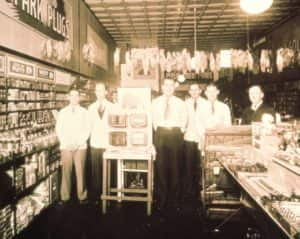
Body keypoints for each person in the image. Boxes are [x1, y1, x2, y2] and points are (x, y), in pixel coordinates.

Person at [152, 78, 187, 211]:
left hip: (175, 135)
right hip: (160, 134)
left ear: (174, 87)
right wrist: (160, 131)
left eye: (171, 85)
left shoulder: (180, 103)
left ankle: (175, 200)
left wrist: (177, 132)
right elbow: (153, 120)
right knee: (160, 167)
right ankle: (162, 199)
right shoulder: (155, 102)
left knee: (176, 167)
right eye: (166, 85)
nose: (168, 87)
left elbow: (184, 121)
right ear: (162, 87)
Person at [55, 88, 90, 204]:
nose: (74, 98)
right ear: (68, 97)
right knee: (66, 172)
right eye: (72, 96)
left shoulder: (85, 112)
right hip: (66, 146)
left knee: (80, 171)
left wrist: (78, 143)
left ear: (79, 98)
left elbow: (87, 129)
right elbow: (59, 129)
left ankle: (82, 196)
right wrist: (66, 142)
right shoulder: (63, 112)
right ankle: (65, 197)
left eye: (76, 96)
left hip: (80, 146)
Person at [88, 83, 115, 204]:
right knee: (96, 171)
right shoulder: (91, 107)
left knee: (108, 169)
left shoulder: (112, 107)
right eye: (97, 90)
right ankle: (97, 196)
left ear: (106, 92)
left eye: (102, 90)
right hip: (95, 143)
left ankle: (108, 195)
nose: (99, 93)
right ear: (95, 93)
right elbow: (88, 126)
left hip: (107, 143)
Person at [183, 83, 206, 201]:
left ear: (200, 91)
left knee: (201, 165)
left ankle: (200, 191)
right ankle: (189, 192)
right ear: (189, 92)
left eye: (196, 89)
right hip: (189, 138)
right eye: (191, 90)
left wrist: (203, 136)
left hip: (202, 139)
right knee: (188, 165)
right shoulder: (185, 104)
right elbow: (183, 119)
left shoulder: (205, 103)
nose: (194, 92)